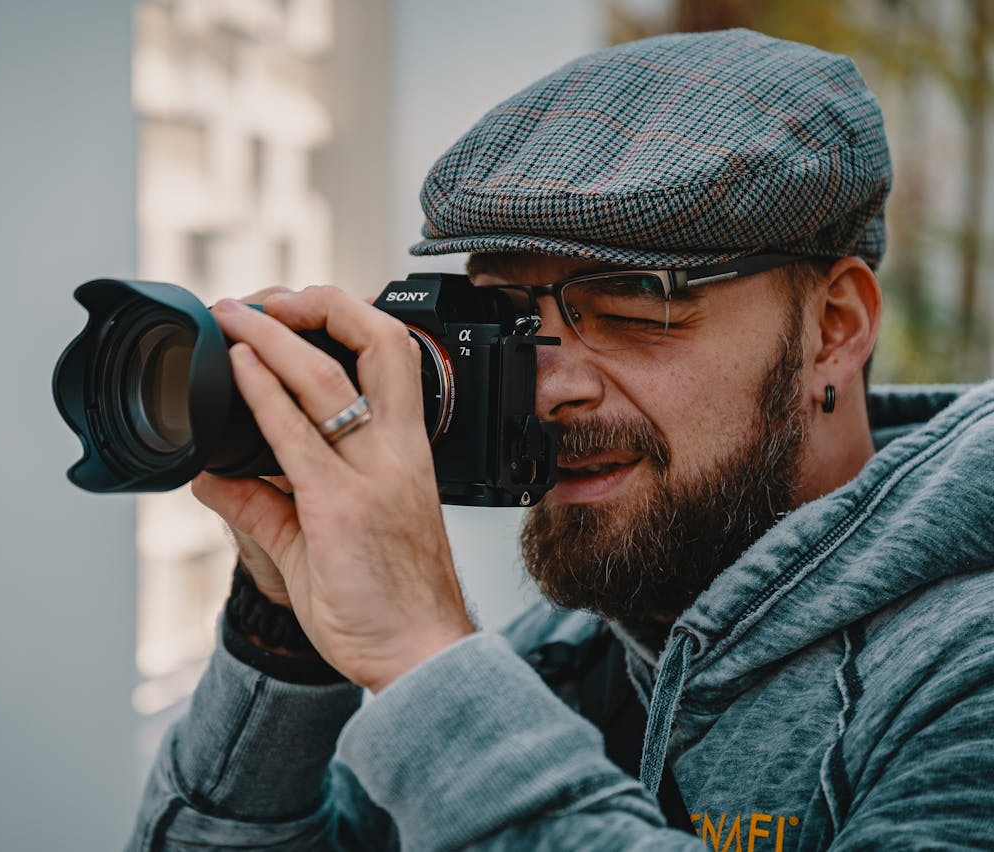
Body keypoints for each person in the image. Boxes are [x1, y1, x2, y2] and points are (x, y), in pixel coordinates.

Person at [128, 28, 994, 850]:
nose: (549, 387)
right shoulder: (554, 659)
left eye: (631, 309)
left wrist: (428, 662)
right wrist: (282, 640)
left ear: (834, 328)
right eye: (509, 322)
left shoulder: (963, 674)